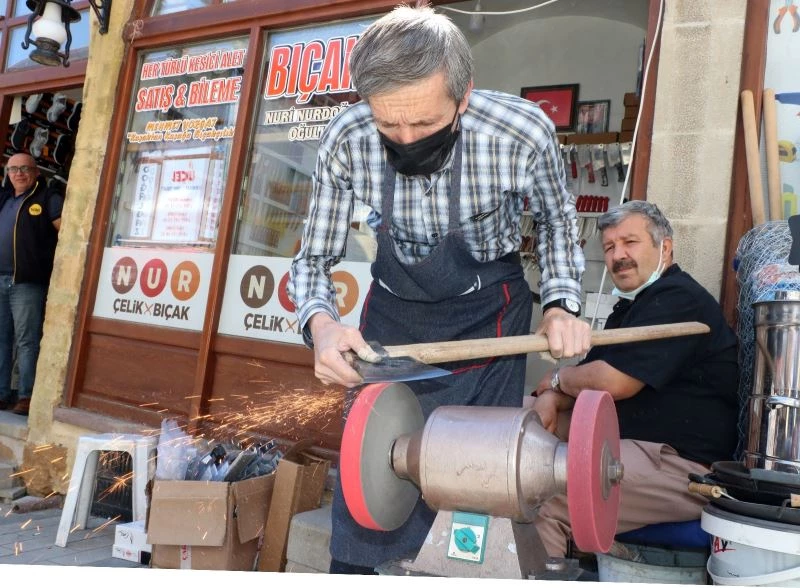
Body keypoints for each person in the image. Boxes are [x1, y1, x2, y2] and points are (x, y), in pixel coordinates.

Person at [287, 4, 591, 574]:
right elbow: (312, 260)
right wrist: (322, 328)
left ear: (464, 94)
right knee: (367, 486)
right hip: (394, 322)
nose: (405, 138)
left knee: (480, 483)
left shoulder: (521, 134)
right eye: (388, 124)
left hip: (488, 323)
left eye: (424, 124)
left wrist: (560, 304)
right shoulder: (347, 139)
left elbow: (557, 223)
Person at [531, 200, 739, 557]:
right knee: (513, 430)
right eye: (610, 247)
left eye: (630, 242)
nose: (618, 256)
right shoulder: (631, 308)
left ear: (665, 247)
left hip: (679, 466)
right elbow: (586, 384)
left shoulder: (677, 298)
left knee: (543, 496)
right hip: (625, 444)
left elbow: (613, 383)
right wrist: (552, 392)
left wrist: (557, 380)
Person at [0, 152, 63, 416]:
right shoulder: (4, 198)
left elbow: (67, 231)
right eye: (14, 169)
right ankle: (2, 394)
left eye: (25, 168)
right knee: (2, 339)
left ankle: (26, 396)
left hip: (27, 282)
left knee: (27, 341)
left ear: (37, 172)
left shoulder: (48, 198)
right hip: (0, 279)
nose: (19, 173)